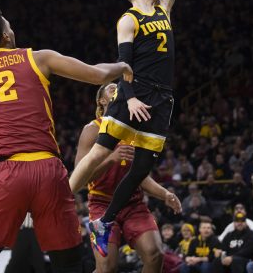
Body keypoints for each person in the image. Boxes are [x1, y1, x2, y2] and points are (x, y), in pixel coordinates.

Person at [0, 7, 132, 273]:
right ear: (6, 35)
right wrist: (122, 65)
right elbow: (98, 75)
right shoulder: (38, 58)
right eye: (10, 26)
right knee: (70, 266)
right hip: (48, 172)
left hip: (6, 174)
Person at [68, 0, 193, 257]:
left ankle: (104, 221)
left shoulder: (163, 11)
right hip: (133, 91)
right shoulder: (129, 19)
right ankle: (62, 201)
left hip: (162, 97)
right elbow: (123, 62)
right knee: (100, 151)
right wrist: (131, 95)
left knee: (141, 167)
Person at [75, 83, 182, 273]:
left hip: (133, 203)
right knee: (107, 267)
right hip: (102, 203)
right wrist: (111, 160)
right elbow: (79, 177)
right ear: (101, 100)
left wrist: (165, 194)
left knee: (155, 255)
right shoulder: (92, 129)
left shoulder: (134, 129)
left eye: (119, 87)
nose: (117, 89)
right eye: (111, 88)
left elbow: (139, 176)